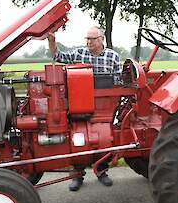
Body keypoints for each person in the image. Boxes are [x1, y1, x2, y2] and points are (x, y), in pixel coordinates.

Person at [48, 26, 122, 191]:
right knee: (78, 136)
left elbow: (118, 81)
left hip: (105, 104)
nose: (88, 42)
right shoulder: (79, 53)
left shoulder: (113, 56)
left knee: (105, 137)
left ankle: (102, 171)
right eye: (87, 39)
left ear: (101, 39)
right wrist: (52, 41)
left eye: (92, 39)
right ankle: (77, 175)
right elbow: (57, 56)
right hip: (80, 102)